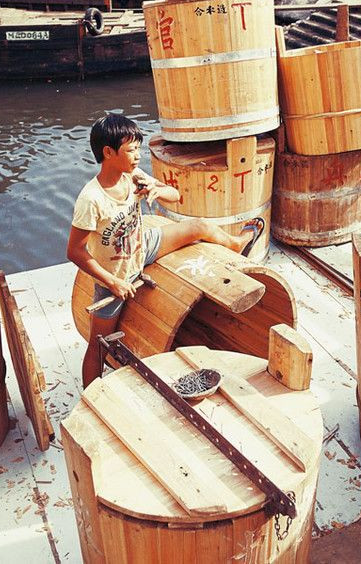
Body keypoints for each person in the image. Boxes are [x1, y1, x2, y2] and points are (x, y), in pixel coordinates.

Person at [67, 114, 265, 387]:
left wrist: (157, 190)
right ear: (108, 152)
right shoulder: (91, 200)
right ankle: (90, 399)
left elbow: (176, 196)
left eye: (138, 148)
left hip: (143, 247)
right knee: (98, 346)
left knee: (197, 226)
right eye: (131, 150)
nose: (137, 155)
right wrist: (112, 282)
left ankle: (236, 244)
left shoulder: (132, 176)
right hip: (115, 274)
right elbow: (75, 252)